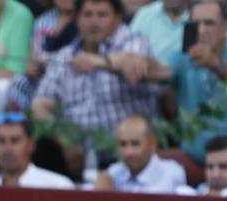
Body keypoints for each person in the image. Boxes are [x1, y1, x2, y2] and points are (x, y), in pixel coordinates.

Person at [31, 0, 161, 133]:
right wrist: (63, 139)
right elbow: (40, 103)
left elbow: (137, 64)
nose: (94, 22)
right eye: (87, 15)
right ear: (77, 19)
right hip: (78, 146)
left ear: (117, 19)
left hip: (126, 144)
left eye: (102, 15)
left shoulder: (134, 42)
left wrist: (101, 62)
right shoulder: (66, 55)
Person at [148, 0, 227, 172]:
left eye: (209, 23)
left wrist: (217, 66)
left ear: (225, 27)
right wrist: (133, 63)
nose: (201, 30)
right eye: (196, 24)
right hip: (193, 155)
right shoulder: (183, 56)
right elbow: (160, 70)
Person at [3, 0, 78, 111]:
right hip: (37, 79)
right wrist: (28, 62)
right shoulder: (44, 19)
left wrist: (46, 60)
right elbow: (32, 51)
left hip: (70, 80)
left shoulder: (88, 21)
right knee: (15, 84)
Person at [93, 112, 188, 191]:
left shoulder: (171, 172)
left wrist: (111, 195)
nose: (128, 152)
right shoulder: (113, 173)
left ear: (152, 144)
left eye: (135, 144)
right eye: (123, 144)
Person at [0, 111, 77, 187]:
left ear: (31, 145)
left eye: (15, 140)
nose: (7, 148)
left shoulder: (59, 186)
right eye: (1, 141)